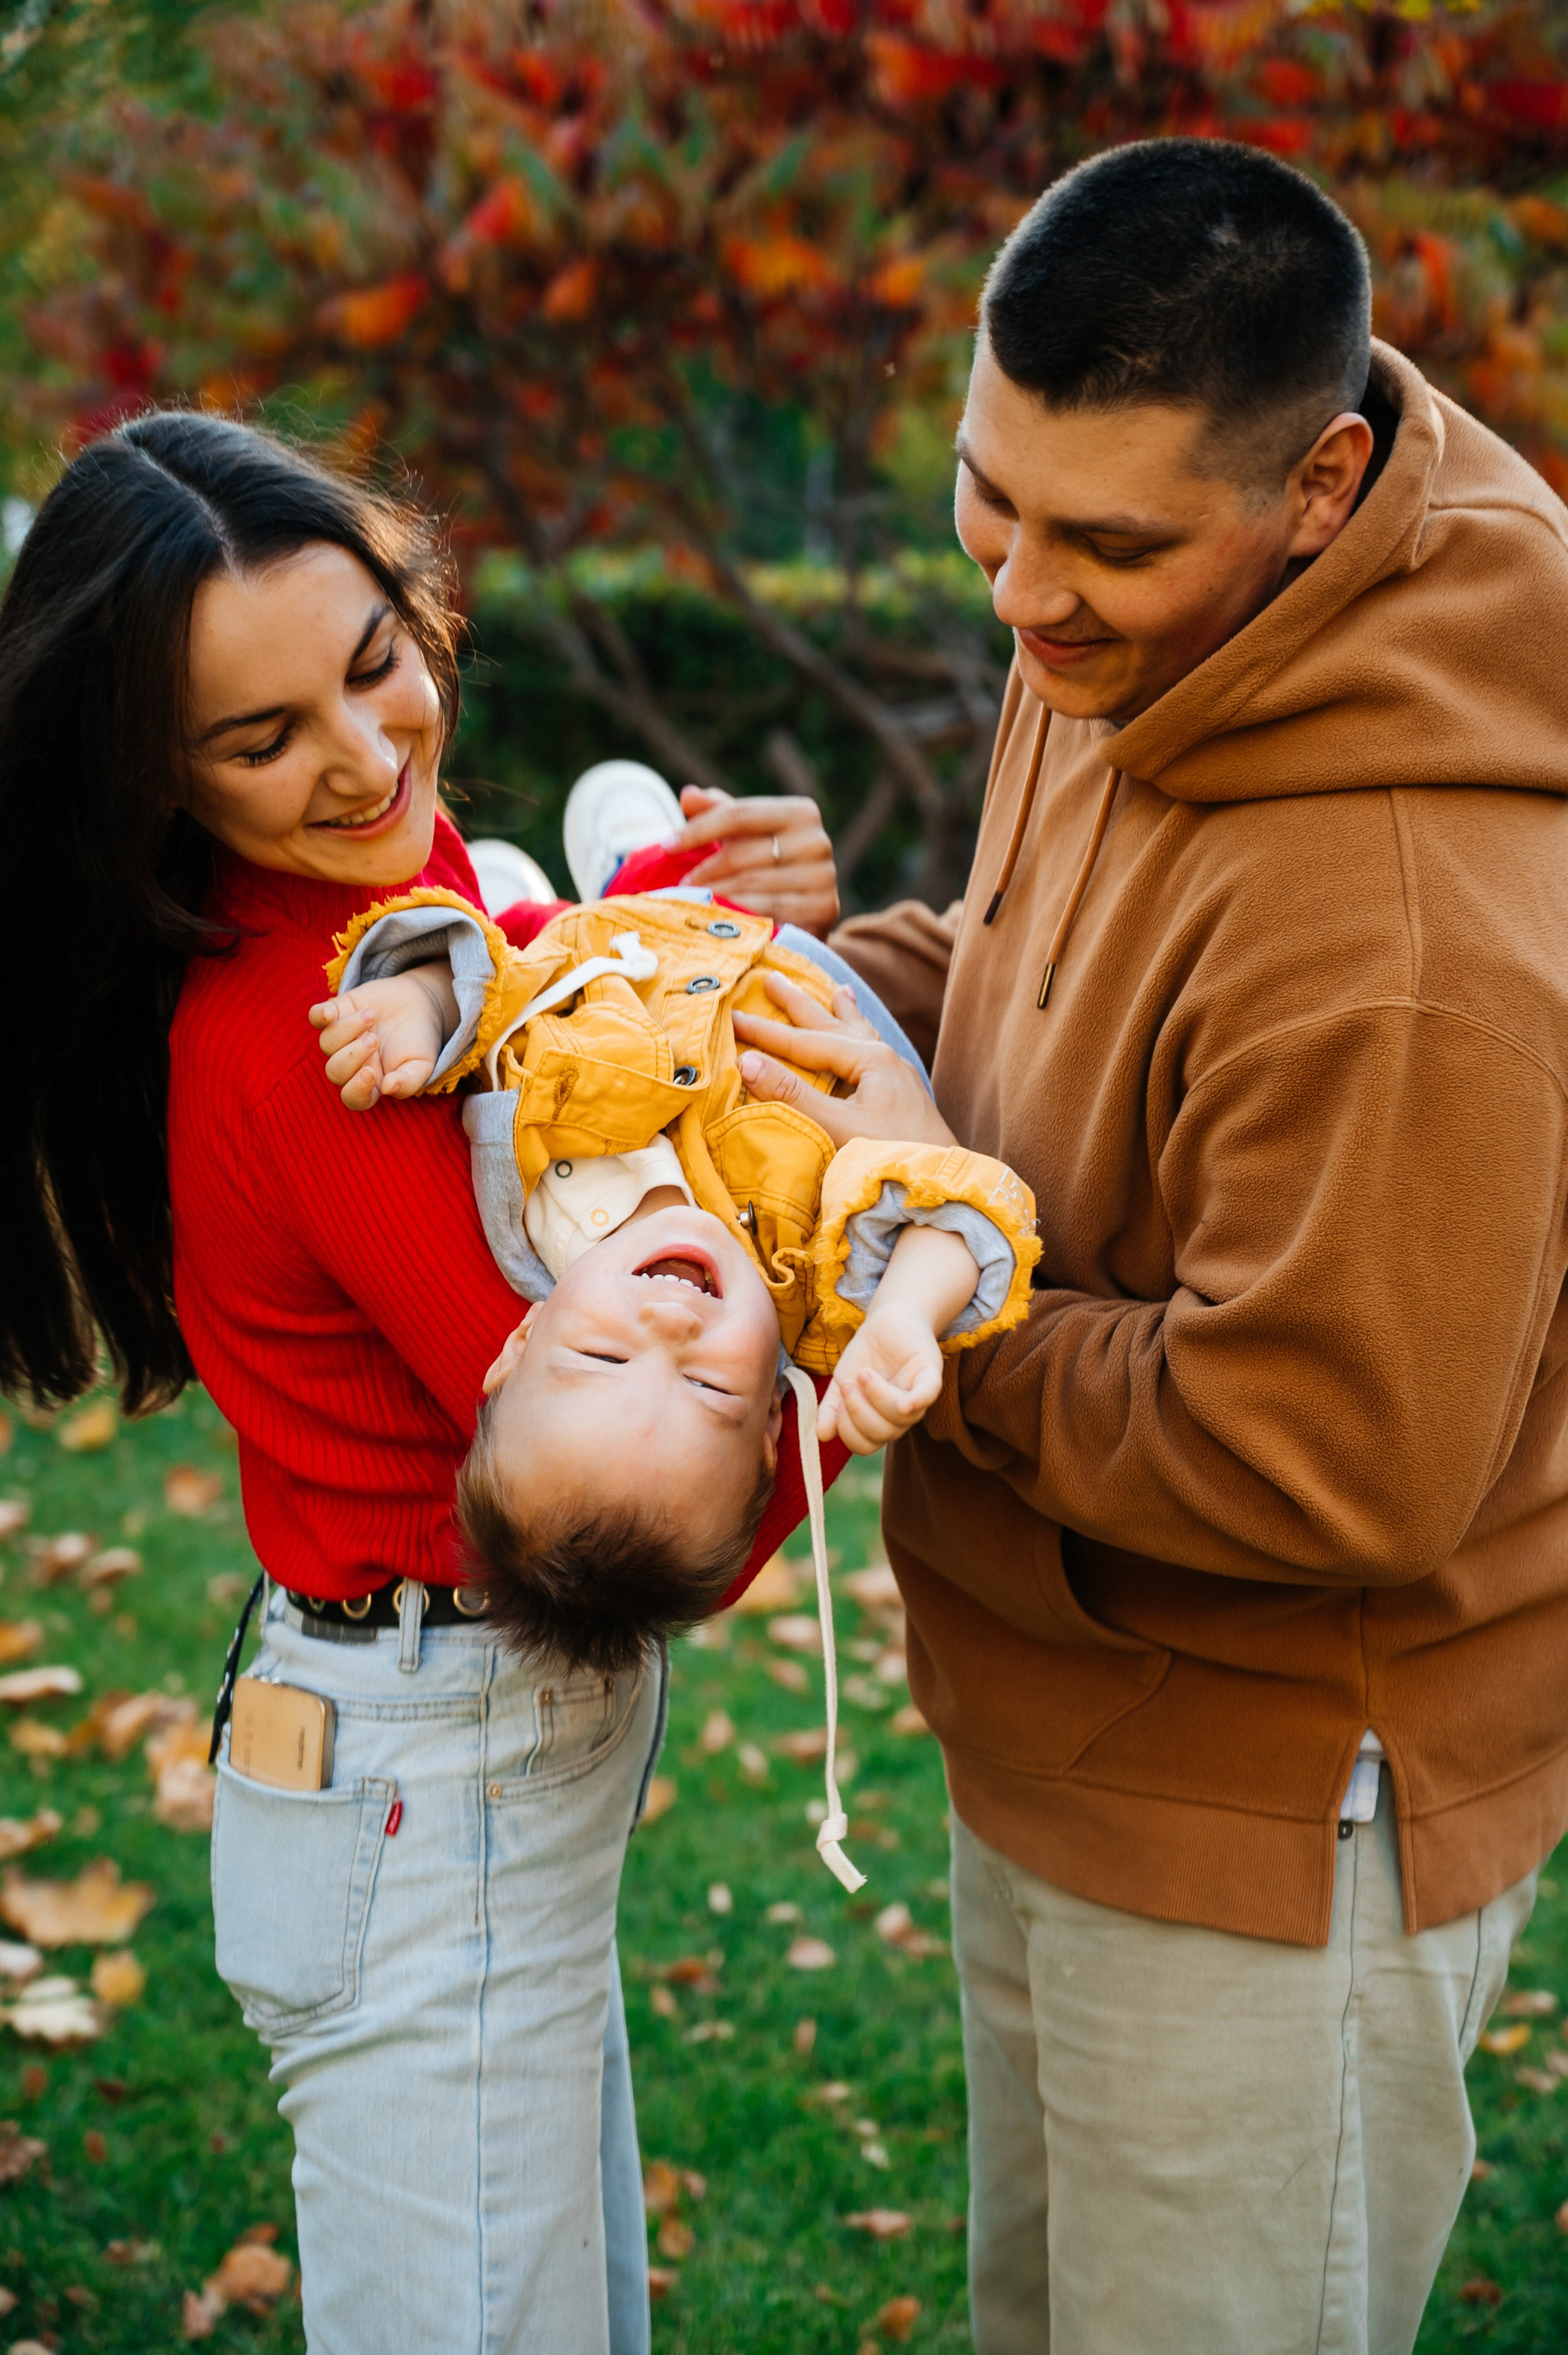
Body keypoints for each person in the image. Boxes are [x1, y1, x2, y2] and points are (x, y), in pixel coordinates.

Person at [815, 138, 1568, 2355]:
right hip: (1054, 1708)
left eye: (1103, 543)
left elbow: (1327, 1458)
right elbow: (1030, 970)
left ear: (1325, 487)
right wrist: (818, 998)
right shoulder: (1149, 613)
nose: (1021, 597)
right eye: (992, 499)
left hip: (1263, 1824)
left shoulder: (1411, 929)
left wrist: (917, 1277)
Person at [0, 409, 840, 2354]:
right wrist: (871, 1346)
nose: (367, 758)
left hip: (446, 1748)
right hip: (426, 1774)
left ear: (414, 596)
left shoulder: (385, 917)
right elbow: (635, 1444)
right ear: (157, 780)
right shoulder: (317, 1033)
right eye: (260, 738)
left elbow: (557, 997)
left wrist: (718, 922)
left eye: (375, 663)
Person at [304, 871, 1036, 1682]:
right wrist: (903, 1311)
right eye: (710, 1391)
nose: (671, 1329)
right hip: (777, 958)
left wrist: (428, 1006)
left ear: (521, 1341)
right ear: (768, 1427)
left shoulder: (516, 1174)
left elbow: (504, 988)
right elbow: (963, 1212)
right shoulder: (814, 1276)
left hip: (627, 931)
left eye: (603, 1360)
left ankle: (614, 859)